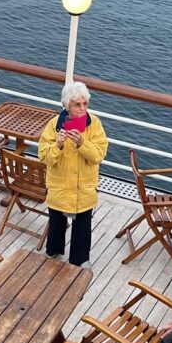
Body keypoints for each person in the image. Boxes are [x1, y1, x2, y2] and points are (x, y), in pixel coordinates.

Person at [37, 82, 108, 267]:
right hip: (59, 185)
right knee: (56, 222)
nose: (82, 108)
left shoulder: (94, 124)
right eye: (77, 104)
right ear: (67, 105)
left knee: (83, 226)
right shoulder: (54, 124)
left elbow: (99, 155)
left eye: (85, 103)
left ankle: (80, 259)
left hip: (83, 187)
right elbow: (44, 156)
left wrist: (82, 144)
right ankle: (53, 251)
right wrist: (58, 145)